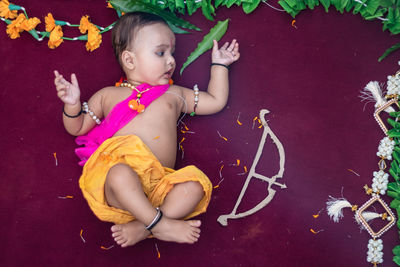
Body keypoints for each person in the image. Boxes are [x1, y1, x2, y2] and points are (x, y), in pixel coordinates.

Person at [54, 11, 240, 248]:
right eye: (161, 53)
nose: (171, 60)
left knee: (195, 186)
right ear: (130, 60)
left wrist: (220, 65)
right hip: (121, 187)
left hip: (160, 185)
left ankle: (144, 227)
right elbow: (77, 127)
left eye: (171, 53)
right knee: (119, 173)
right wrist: (71, 105)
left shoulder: (174, 94)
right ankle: (161, 225)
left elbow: (214, 101)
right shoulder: (108, 95)